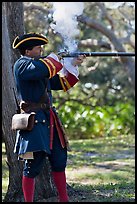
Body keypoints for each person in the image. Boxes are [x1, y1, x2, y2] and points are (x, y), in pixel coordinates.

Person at [12, 32, 85, 202]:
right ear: (28, 51)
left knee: (59, 161)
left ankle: (64, 200)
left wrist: (72, 64)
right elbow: (45, 68)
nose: (41, 50)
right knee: (33, 166)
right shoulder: (22, 65)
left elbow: (62, 83)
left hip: (49, 119)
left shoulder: (39, 67)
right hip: (34, 121)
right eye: (38, 48)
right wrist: (56, 59)